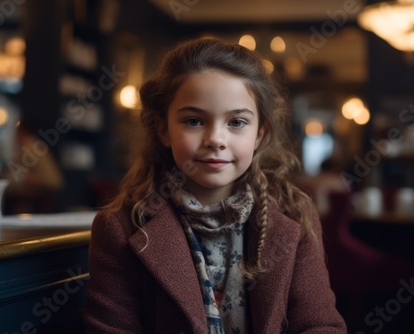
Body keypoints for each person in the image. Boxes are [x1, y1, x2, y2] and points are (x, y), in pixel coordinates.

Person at [84, 38, 347, 333]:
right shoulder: (119, 228)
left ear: (259, 134)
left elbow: (319, 325)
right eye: (194, 121)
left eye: (236, 123)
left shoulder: (295, 215)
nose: (216, 139)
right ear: (164, 130)